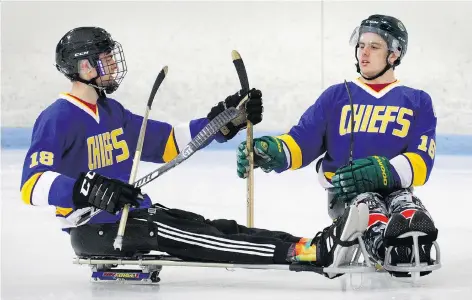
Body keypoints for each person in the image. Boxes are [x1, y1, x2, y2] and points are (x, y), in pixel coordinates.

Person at [19, 26, 368, 279]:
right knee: (205, 240)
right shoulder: (57, 117)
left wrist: (225, 119)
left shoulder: (114, 113)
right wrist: (89, 189)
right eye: (104, 59)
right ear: (82, 67)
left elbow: (172, 141)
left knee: (217, 227)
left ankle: (311, 244)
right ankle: (311, 254)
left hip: (131, 215)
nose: (111, 65)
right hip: (98, 228)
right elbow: (31, 186)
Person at [236, 14, 439, 277]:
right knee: (367, 205)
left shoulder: (417, 101)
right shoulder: (336, 96)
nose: (363, 53)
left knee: (405, 202)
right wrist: (273, 150)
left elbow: (423, 159)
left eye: (374, 47)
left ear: (393, 54)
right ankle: (382, 241)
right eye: (361, 45)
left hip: (396, 188)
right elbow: (302, 140)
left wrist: (383, 171)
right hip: (346, 194)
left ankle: (411, 238)